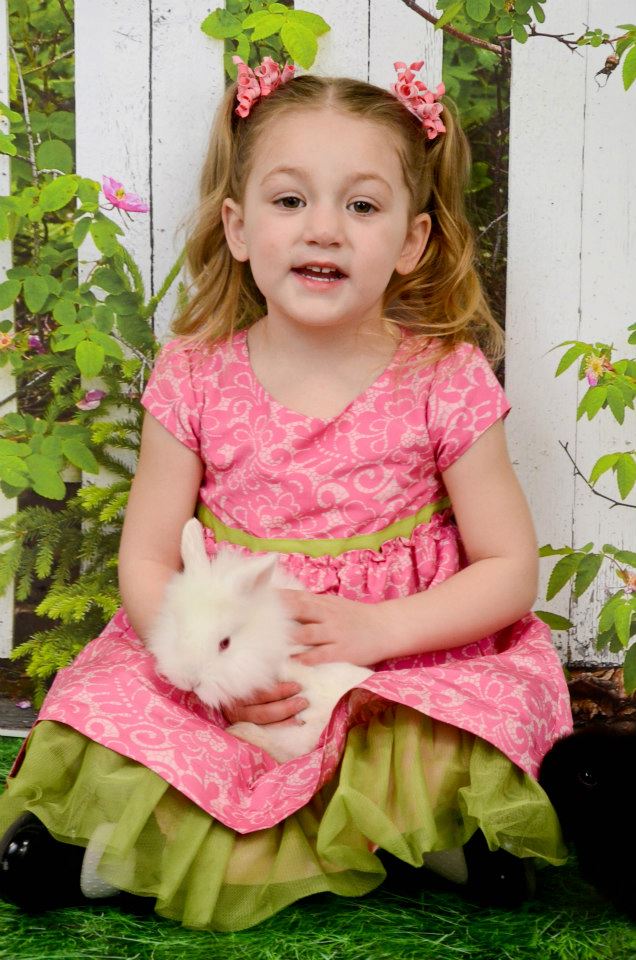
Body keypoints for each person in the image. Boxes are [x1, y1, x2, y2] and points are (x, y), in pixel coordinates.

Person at [0, 57, 572, 931]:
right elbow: (148, 560)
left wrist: (383, 631)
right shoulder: (194, 374)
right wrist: (208, 675)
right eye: (291, 200)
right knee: (120, 707)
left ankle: (450, 836)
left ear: (413, 241)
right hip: (233, 656)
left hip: (396, 661)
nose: (325, 231)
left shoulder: (443, 378)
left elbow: (508, 569)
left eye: (363, 206)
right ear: (237, 226)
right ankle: (96, 853)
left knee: (453, 717)